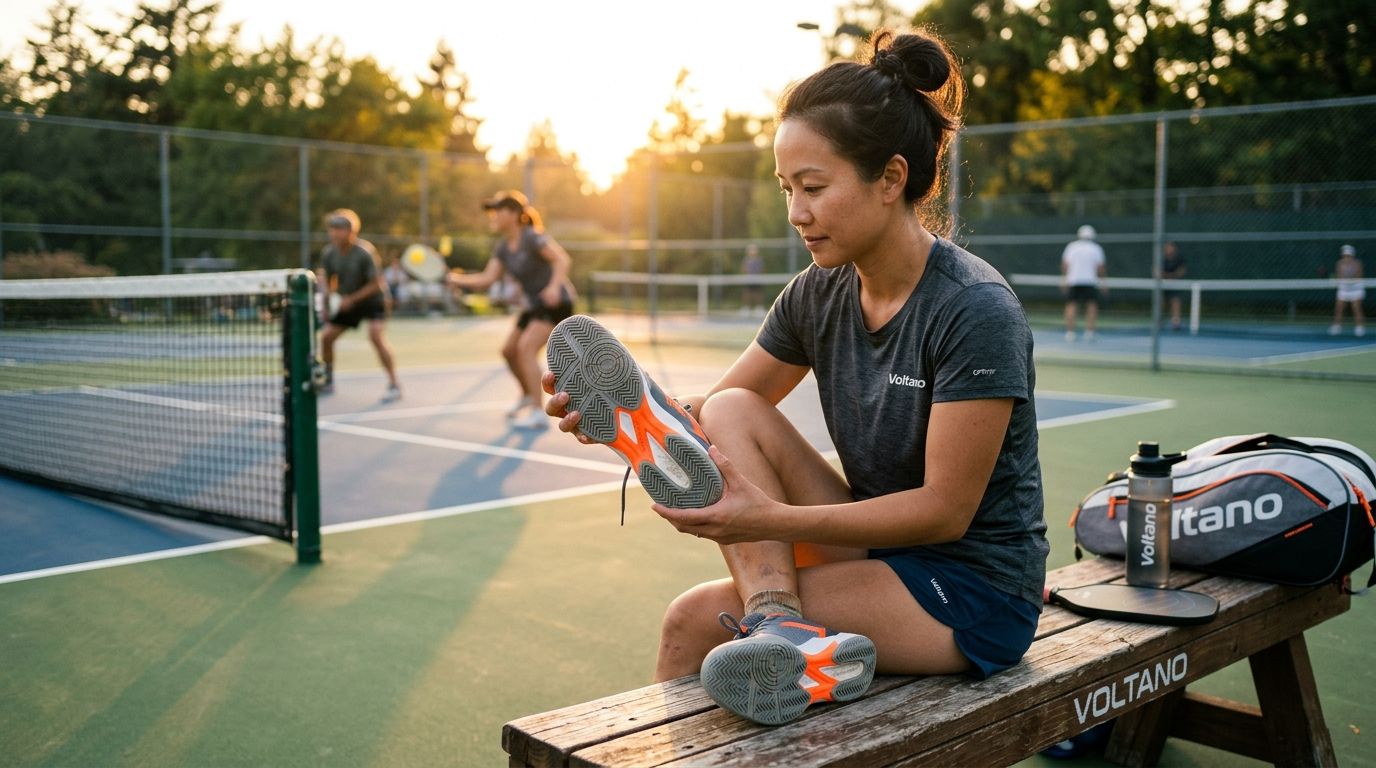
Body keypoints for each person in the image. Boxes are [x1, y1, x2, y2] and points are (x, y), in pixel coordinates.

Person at [543, 28, 1047, 727]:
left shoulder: (973, 309)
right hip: (879, 547)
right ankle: (778, 620)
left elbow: (944, 511)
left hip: (973, 589)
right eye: (787, 189)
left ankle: (771, 637)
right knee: (731, 407)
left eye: (813, 187)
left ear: (890, 179)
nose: (795, 213)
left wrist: (767, 519)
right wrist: (628, 426)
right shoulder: (819, 291)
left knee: (693, 620)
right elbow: (713, 418)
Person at [447, 190, 576, 429]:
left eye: (498, 211)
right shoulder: (503, 248)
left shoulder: (532, 237)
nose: (493, 216)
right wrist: (456, 279)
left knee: (526, 348)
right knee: (508, 351)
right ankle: (527, 394)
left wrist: (553, 287)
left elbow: (562, 259)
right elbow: (487, 279)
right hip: (534, 305)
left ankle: (538, 413)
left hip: (556, 303)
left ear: (514, 213)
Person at [316, 209, 401, 402]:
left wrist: (351, 300)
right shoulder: (329, 253)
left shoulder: (364, 252)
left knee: (375, 335)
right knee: (327, 337)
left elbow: (376, 283)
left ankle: (394, 384)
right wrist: (328, 306)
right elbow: (328, 282)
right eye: (332, 229)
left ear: (351, 231)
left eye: (340, 229)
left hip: (373, 300)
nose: (335, 233)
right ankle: (328, 380)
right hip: (348, 301)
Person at [1061, 225, 1106, 341]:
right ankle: (1090, 332)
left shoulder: (1071, 247)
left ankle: (1070, 333)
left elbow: (1065, 265)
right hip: (1090, 281)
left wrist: (1065, 279)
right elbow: (1100, 267)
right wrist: (1103, 282)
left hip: (1074, 280)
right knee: (1091, 306)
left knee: (1071, 305)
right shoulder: (1096, 248)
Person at [1330, 244, 1365, 337]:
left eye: (1349, 255)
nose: (1347, 257)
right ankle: (1337, 326)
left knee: (1356, 307)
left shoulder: (1358, 263)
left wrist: (1350, 281)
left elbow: (1359, 275)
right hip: (1344, 288)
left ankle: (1359, 327)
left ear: (1352, 255)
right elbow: (1339, 275)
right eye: (1345, 255)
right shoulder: (1339, 264)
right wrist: (1345, 281)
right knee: (1339, 307)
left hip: (1356, 288)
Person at [1158, 241, 1186, 331]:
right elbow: (1156, 272)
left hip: (1174, 286)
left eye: (1170, 247)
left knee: (1175, 301)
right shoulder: (1160, 259)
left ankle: (1176, 323)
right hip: (1161, 286)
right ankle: (1159, 321)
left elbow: (1181, 272)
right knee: (1160, 301)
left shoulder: (1179, 260)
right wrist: (1168, 276)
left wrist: (1169, 276)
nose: (1169, 250)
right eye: (1167, 248)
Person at [740, 242, 766, 316]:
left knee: (758, 292)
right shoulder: (746, 260)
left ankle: (759, 308)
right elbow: (743, 269)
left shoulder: (759, 259)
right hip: (748, 279)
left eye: (754, 250)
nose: (752, 252)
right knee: (747, 292)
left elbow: (762, 269)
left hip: (757, 279)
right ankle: (747, 308)